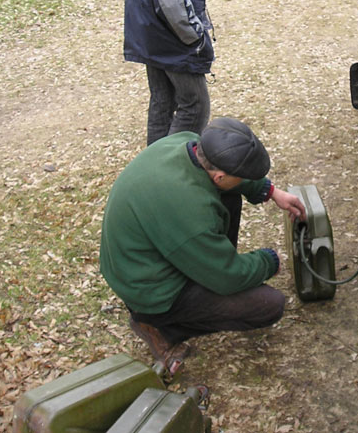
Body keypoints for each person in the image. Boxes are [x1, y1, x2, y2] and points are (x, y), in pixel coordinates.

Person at [100, 118, 306, 375]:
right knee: (269, 305)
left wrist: (271, 191)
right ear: (219, 176)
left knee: (229, 195)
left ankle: (208, 266)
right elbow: (230, 277)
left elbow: (231, 174)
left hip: (139, 261)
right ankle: (157, 325)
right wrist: (269, 261)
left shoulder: (188, 143)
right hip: (148, 289)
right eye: (242, 177)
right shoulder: (190, 210)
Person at [124, 0, 214, 145]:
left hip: (150, 26)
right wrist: (196, 36)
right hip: (172, 36)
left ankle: (154, 167)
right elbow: (173, 3)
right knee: (195, 105)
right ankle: (173, 167)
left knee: (162, 99)